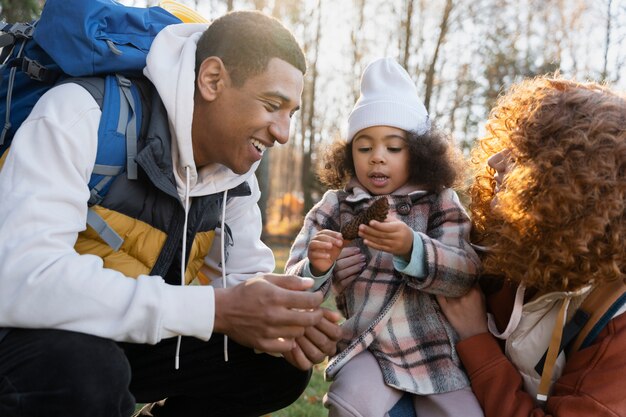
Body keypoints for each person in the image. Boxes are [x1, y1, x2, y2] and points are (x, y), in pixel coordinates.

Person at [0, 10, 341, 417]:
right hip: (27, 335)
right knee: (89, 371)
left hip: (128, 335)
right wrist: (219, 310)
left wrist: (283, 319)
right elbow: (21, 278)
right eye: (272, 106)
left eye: (291, 114)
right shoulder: (82, 112)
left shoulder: (236, 176)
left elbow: (244, 280)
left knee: (273, 366)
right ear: (212, 79)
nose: (283, 132)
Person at [285, 57, 482, 417]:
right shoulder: (336, 206)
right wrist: (315, 267)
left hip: (433, 351)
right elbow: (289, 288)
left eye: (393, 148)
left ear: (420, 153)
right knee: (349, 406)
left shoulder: (440, 202)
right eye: (364, 147)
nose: (377, 158)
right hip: (366, 346)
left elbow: (466, 272)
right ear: (349, 152)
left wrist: (413, 248)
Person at [435, 76, 626, 416]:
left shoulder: (616, 327)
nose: (494, 161)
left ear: (573, 183)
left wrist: (476, 337)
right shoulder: (514, 242)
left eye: (521, 154)